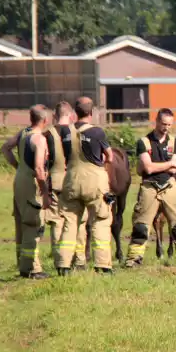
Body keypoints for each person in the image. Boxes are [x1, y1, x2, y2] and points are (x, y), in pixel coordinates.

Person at [127, 108, 176, 267]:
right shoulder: (143, 142)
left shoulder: (174, 142)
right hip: (149, 187)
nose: (166, 128)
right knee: (141, 227)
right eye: (163, 124)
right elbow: (148, 169)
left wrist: (158, 166)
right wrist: (169, 164)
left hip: (170, 186)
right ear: (156, 121)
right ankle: (133, 260)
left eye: (169, 124)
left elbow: (175, 170)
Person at [59, 96, 115, 274]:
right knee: (101, 220)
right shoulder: (97, 132)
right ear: (91, 113)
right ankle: (102, 264)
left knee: (70, 223)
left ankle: (64, 264)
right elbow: (110, 156)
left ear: (75, 112)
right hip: (95, 182)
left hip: (71, 180)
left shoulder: (66, 132)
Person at [1, 104, 53, 279]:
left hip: (19, 180)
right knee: (33, 223)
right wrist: (45, 192)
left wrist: (18, 166)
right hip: (31, 182)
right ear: (45, 120)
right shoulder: (39, 139)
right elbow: (39, 168)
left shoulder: (23, 133)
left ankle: (23, 265)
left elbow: (5, 148)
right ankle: (34, 269)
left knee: (22, 224)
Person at [46, 100, 79, 272]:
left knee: (57, 222)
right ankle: (79, 260)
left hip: (55, 181)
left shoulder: (48, 134)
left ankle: (59, 261)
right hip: (74, 181)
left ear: (54, 116)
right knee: (77, 221)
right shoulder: (78, 132)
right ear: (72, 116)